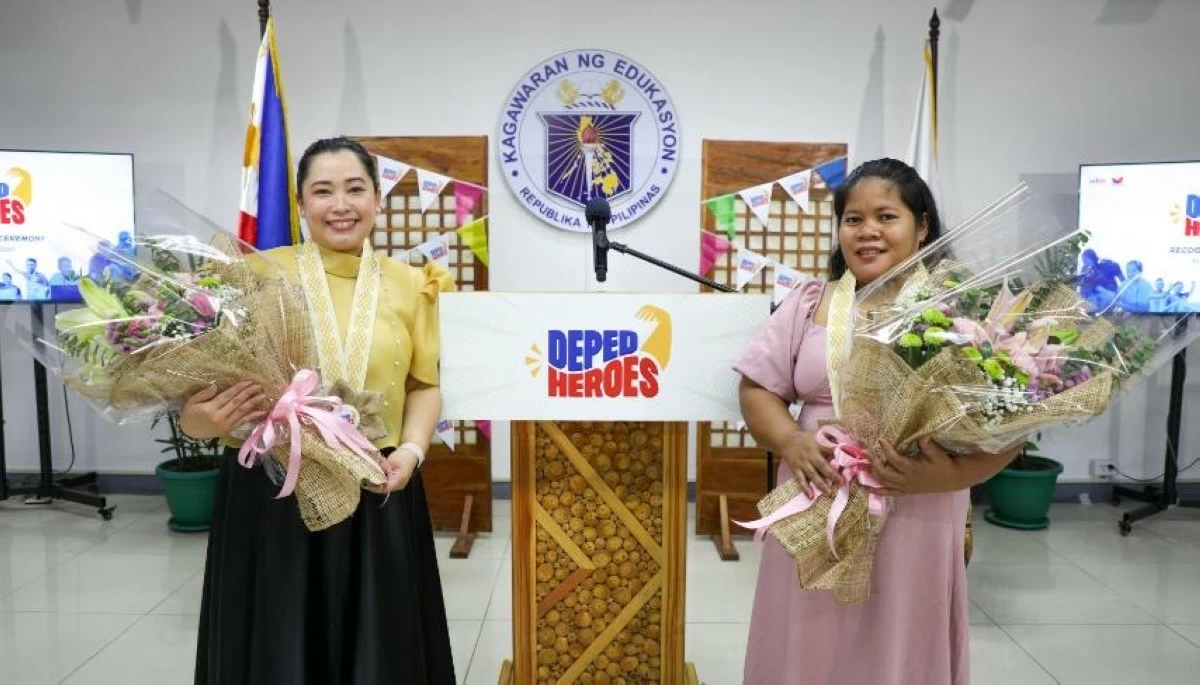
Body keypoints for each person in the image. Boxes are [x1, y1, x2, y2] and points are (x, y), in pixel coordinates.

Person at [736, 159, 1021, 685]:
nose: (868, 231)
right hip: (815, 497)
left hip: (919, 505)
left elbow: (1015, 421)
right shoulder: (810, 304)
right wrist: (791, 440)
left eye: (886, 216)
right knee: (809, 631)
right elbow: (757, 388)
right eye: (853, 219)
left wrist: (954, 477)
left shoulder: (965, 314)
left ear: (922, 227)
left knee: (902, 633)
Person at [188, 137, 457, 684]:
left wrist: (411, 451)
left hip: (378, 484)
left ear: (377, 199)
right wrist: (201, 421)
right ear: (301, 203)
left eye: (355, 189)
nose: (341, 205)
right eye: (323, 191)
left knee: (380, 646)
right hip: (275, 488)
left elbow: (425, 383)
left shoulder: (414, 285)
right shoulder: (257, 275)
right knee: (280, 640)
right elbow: (198, 399)